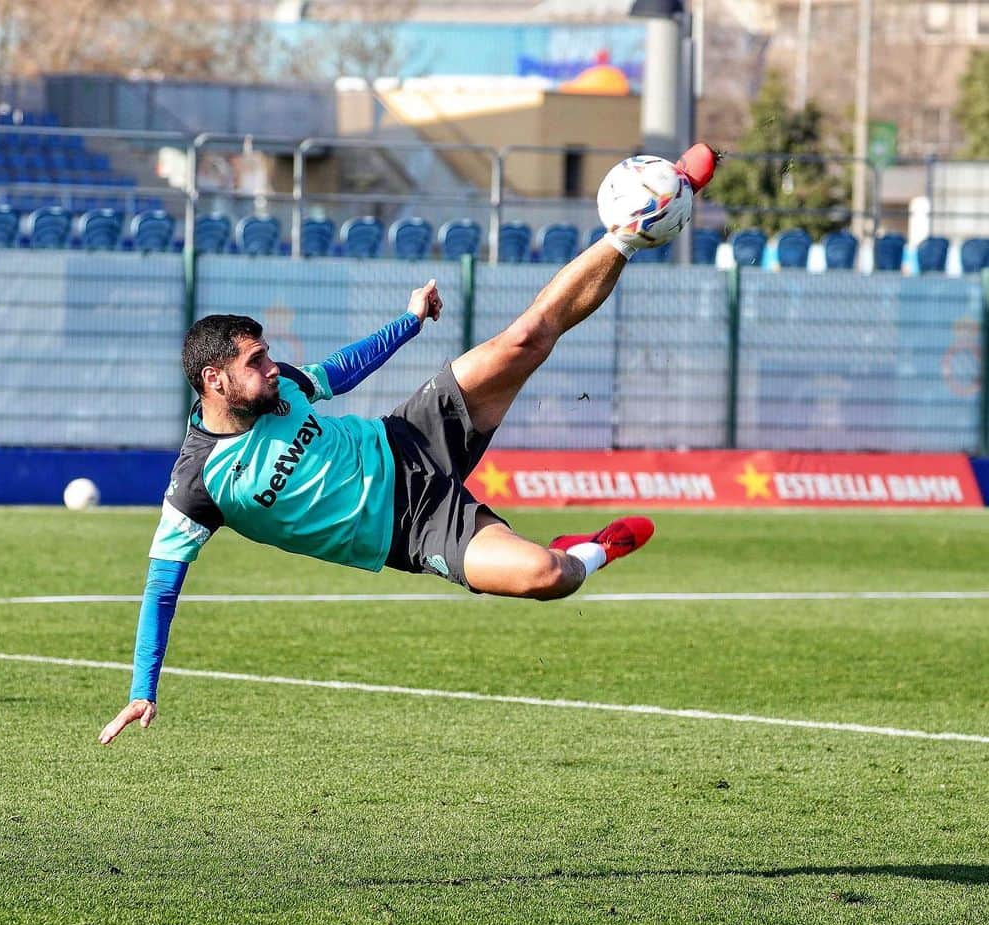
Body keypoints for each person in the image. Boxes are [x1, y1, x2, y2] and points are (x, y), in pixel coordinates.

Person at [99, 144, 717, 745]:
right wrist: (142, 688)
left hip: (412, 435)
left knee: (525, 338)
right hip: (414, 531)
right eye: (255, 362)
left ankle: (632, 232)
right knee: (548, 576)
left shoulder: (278, 386)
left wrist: (411, 321)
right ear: (214, 381)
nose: (271, 367)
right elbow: (161, 586)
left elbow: (338, 371)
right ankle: (592, 550)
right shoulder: (197, 486)